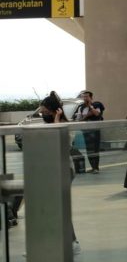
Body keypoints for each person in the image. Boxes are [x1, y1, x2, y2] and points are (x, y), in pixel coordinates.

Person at [37, 92, 81, 253]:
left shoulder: (63, 125)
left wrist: (56, 120)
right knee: (51, 208)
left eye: (45, 111)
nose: (43, 114)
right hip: (52, 169)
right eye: (42, 112)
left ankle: (73, 242)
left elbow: (62, 145)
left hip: (64, 169)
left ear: (55, 111)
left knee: (59, 208)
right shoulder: (50, 123)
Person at [73, 90, 105, 173]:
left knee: (95, 148)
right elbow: (78, 119)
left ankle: (96, 168)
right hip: (86, 130)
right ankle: (92, 167)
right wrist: (85, 116)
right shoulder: (81, 107)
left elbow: (97, 114)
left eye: (86, 96)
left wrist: (90, 106)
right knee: (89, 149)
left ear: (91, 97)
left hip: (95, 130)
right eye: (83, 96)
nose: (85, 98)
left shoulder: (96, 105)